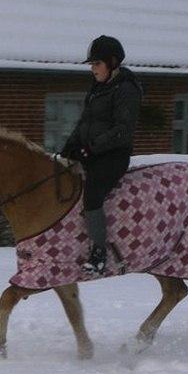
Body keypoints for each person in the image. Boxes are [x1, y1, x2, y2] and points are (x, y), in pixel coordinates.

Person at [60, 35, 143, 274]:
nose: (92, 69)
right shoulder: (99, 88)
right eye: (91, 64)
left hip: (114, 155)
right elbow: (85, 122)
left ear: (113, 62)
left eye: (96, 64)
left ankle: (99, 253)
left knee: (93, 195)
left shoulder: (127, 89)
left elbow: (122, 131)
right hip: (93, 152)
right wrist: (68, 148)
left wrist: (91, 148)